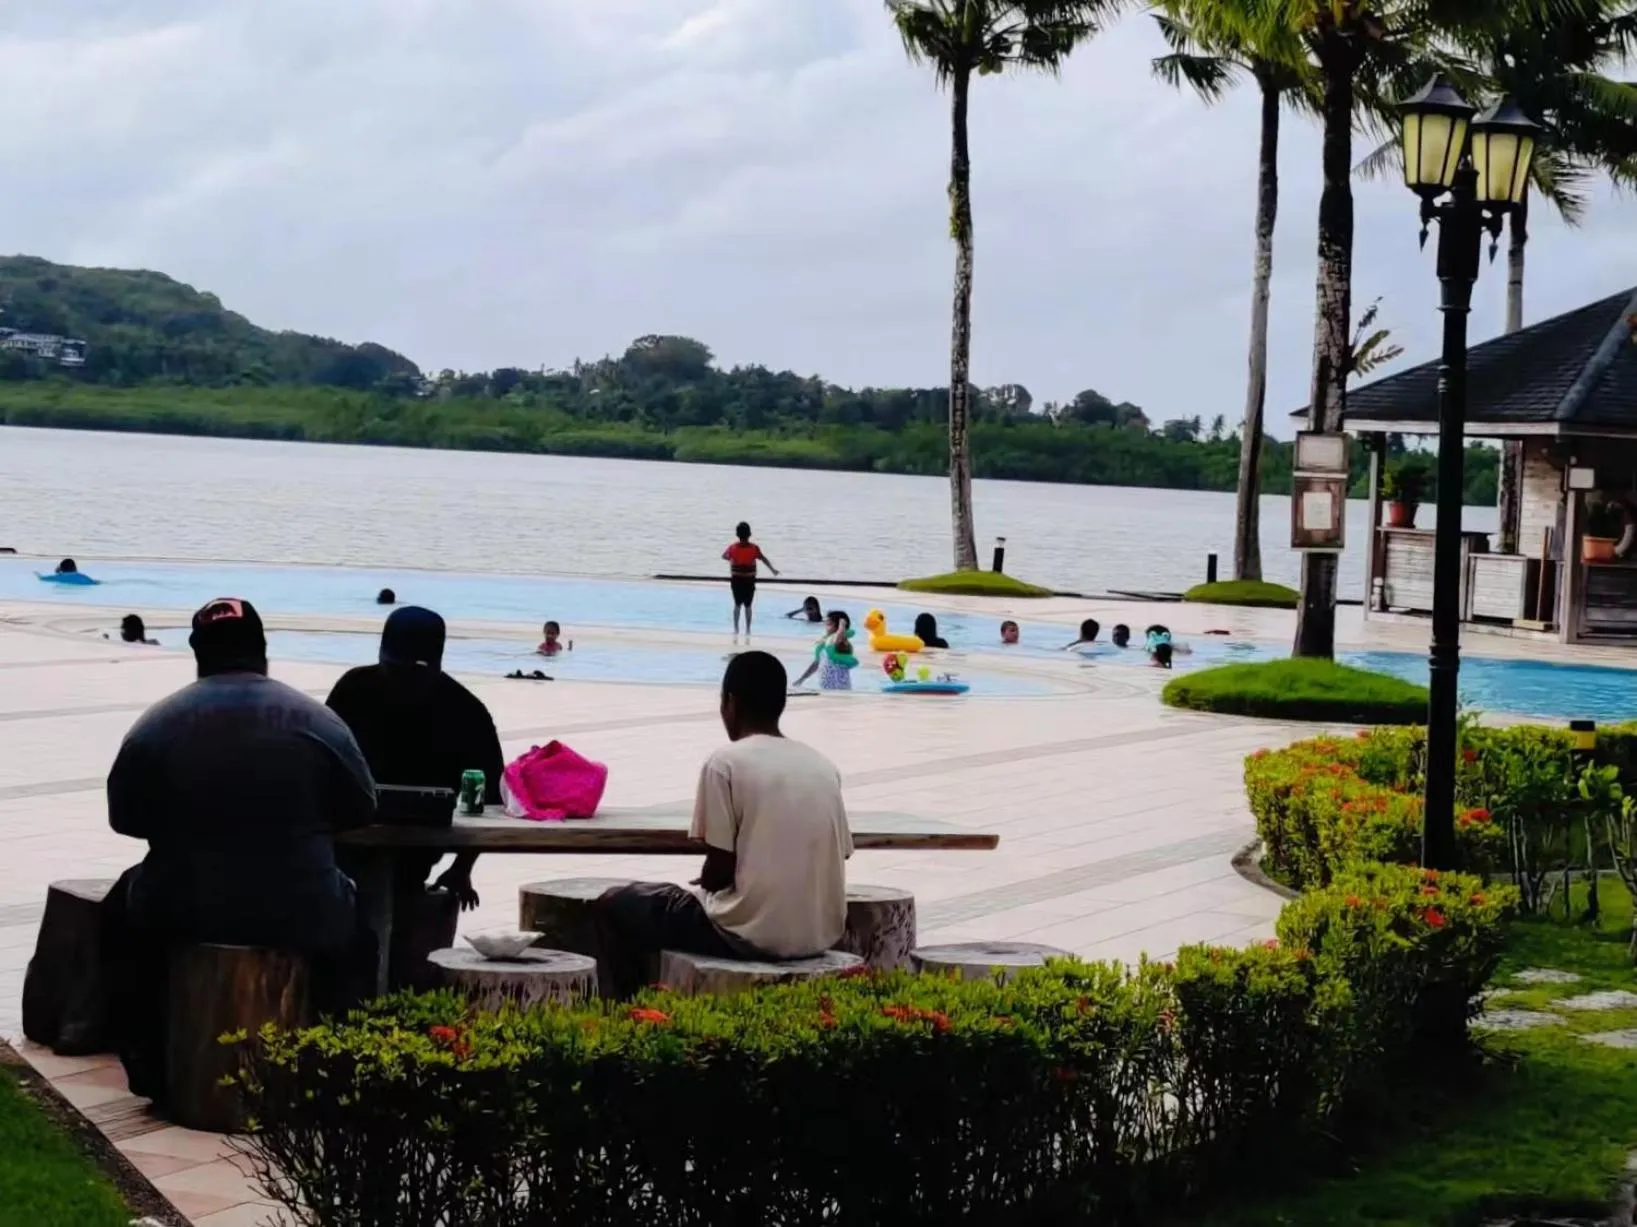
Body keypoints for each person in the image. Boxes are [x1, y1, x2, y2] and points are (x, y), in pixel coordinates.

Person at [100, 598, 378, 1103]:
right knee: (360, 933)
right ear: (263, 650)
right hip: (303, 909)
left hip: (183, 907)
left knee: (119, 917)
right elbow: (361, 809)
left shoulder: (156, 724)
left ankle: (149, 1063)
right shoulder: (320, 723)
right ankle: (338, 1069)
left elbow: (124, 819)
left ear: (197, 653)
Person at [588, 652, 851, 998]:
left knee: (615, 903)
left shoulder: (724, 763)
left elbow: (720, 870)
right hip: (817, 934)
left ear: (730, 702)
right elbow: (839, 855)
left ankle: (626, 1008)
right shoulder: (823, 766)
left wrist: (709, 881)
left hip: (748, 934)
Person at [326, 607, 505, 987]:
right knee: (371, 914)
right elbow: (321, 761)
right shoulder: (354, 689)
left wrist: (463, 867)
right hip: (351, 841)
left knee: (390, 919)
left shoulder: (464, 710)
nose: (402, 681)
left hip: (418, 849)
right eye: (394, 669)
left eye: (412, 672)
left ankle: (383, 999)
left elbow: (490, 799)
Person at [723, 522, 779, 635]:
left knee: (737, 604)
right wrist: (773, 570)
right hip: (749, 581)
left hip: (737, 580)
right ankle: (748, 629)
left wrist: (734, 560)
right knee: (748, 605)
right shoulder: (754, 548)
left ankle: (736, 629)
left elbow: (724, 556)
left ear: (737, 534)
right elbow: (763, 559)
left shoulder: (733, 548)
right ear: (749, 534)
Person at [794, 611, 860, 690]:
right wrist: (802, 679)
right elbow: (816, 663)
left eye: (829, 624)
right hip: (827, 684)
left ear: (838, 627)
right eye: (826, 624)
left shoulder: (841, 642)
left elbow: (836, 639)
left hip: (839, 684)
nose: (826, 627)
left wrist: (842, 626)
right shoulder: (826, 642)